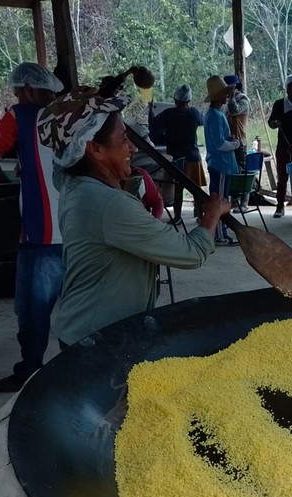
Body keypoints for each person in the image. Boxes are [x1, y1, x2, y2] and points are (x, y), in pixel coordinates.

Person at [36, 90, 229, 347]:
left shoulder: (71, 181)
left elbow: (63, 159)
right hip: (97, 339)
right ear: (94, 149)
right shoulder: (111, 205)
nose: (133, 147)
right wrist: (212, 214)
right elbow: (191, 253)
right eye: (124, 139)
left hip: (79, 328)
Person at [0, 61, 65, 393]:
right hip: (83, 230)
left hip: (41, 235)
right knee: (80, 308)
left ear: (27, 90)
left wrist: (4, 185)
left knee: (33, 311)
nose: (15, 96)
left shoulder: (21, 116)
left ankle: (30, 371)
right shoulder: (75, 114)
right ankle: (79, 372)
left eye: (16, 91)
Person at [148, 83, 207, 213]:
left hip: (176, 157)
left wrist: (150, 108)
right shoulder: (194, 113)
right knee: (196, 189)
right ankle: (201, 215)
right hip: (193, 156)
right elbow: (203, 121)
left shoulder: (168, 114)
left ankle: (177, 217)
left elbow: (153, 123)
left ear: (175, 100)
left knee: (178, 189)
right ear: (189, 101)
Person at [203, 75, 241, 244]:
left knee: (221, 199)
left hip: (220, 164)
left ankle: (220, 232)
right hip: (221, 164)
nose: (227, 96)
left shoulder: (214, 114)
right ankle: (219, 234)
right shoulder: (215, 116)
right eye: (225, 93)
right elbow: (219, 144)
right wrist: (235, 144)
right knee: (220, 201)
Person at [266, 74, 292, 218]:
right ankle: (279, 207)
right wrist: (274, 123)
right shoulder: (279, 104)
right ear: (286, 88)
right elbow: (271, 122)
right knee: (282, 177)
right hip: (283, 147)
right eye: (289, 85)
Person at [224, 74, 251, 176]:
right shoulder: (228, 102)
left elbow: (234, 110)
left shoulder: (243, 101)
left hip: (239, 142)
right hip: (230, 141)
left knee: (240, 172)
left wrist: (231, 96)